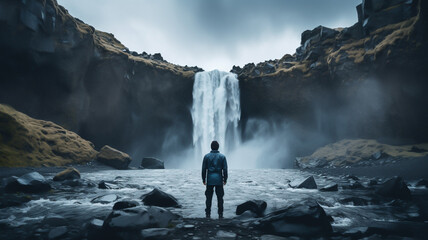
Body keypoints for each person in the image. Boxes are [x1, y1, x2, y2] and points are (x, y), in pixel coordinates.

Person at [201, 140, 228, 219]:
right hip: (219, 179)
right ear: (218, 147)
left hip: (210, 179)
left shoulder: (206, 156)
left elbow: (203, 169)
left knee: (208, 197)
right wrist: (225, 179)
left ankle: (208, 214)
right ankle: (220, 214)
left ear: (211, 147)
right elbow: (225, 169)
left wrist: (203, 179)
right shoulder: (222, 157)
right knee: (220, 197)